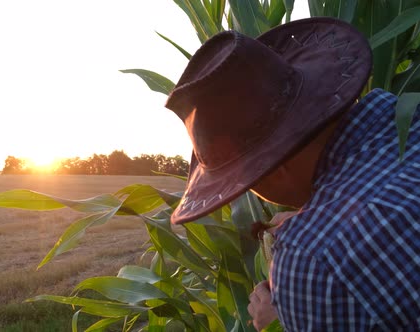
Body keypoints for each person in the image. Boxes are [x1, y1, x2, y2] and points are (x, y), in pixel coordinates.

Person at [165, 17, 420, 331]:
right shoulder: (408, 116)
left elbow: (328, 255)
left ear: (273, 168)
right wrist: (316, 217)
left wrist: (276, 323)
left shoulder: (312, 260)